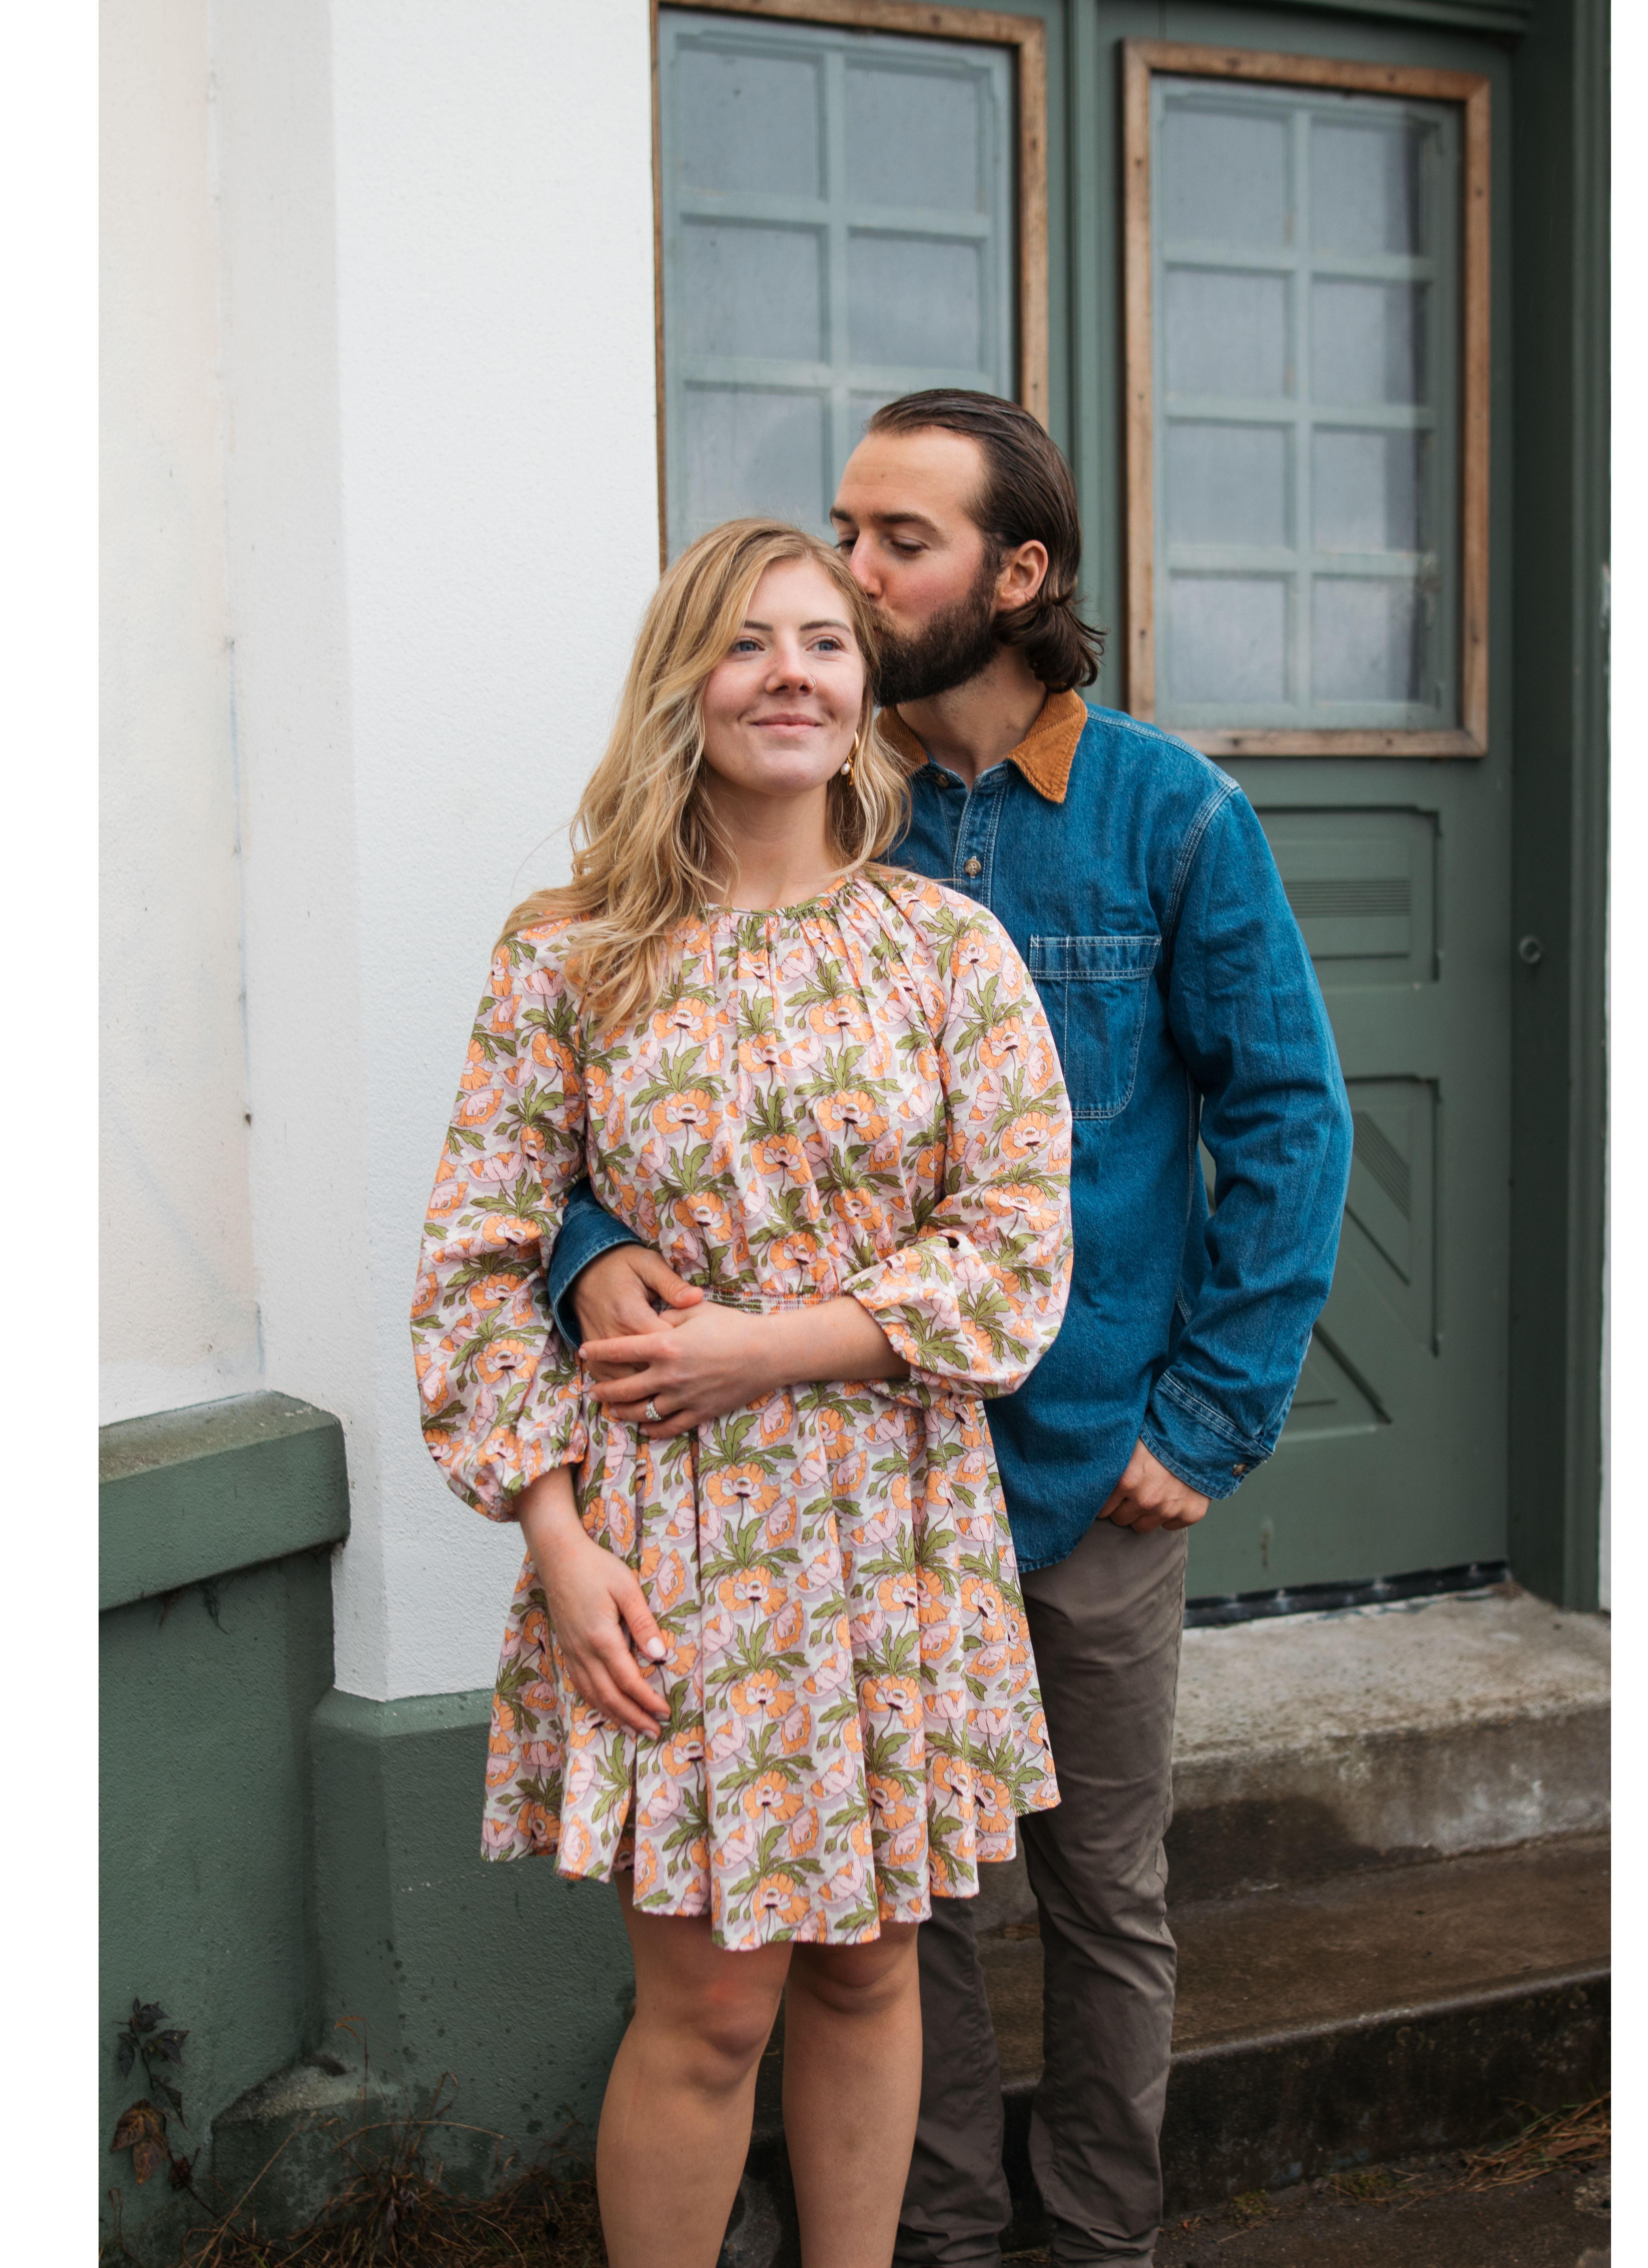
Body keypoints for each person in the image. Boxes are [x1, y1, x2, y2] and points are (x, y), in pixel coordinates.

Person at [548, 396, 1352, 2268]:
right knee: (900, 1908)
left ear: (1016, 572)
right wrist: (588, 1245)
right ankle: (942, 2238)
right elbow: (615, 1101)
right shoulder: (821, 784)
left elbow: (1289, 1120)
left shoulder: (1166, 813)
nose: (846, 577)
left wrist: (1205, 1419)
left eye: (894, 542)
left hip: (1078, 1456)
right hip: (845, 1491)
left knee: (1100, 1895)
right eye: (842, 530)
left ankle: (1095, 2240)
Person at [412, 516, 1076, 2268]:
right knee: (710, 2005)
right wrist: (557, 1542)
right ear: (681, 684)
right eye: (747, 641)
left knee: (867, 1970)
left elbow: (1015, 1252)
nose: (791, 674)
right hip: (665, 1540)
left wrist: (764, 1346)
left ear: (864, 692)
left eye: (825, 642)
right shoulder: (570, 952)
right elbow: (477, 1259)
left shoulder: (946, 951)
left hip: (894, 1525)